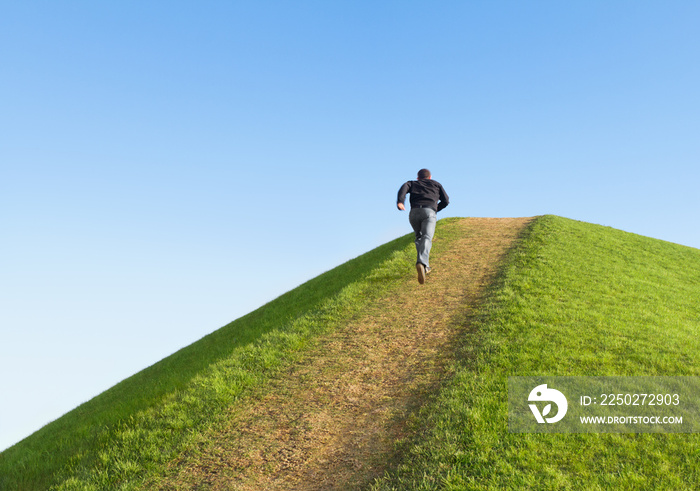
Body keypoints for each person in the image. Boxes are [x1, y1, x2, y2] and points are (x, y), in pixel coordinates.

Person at [396, 169, 449, 284]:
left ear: (418, 178)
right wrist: (435, 209)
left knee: (419, 238)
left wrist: (400, 202)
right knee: (426, 237)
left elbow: (404, 188)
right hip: (428, 212)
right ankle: (422, 263)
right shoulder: (436, 184)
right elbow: (446, 200)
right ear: (429, 177)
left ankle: (426, 267)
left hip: (414, 213)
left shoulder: (412, 183)